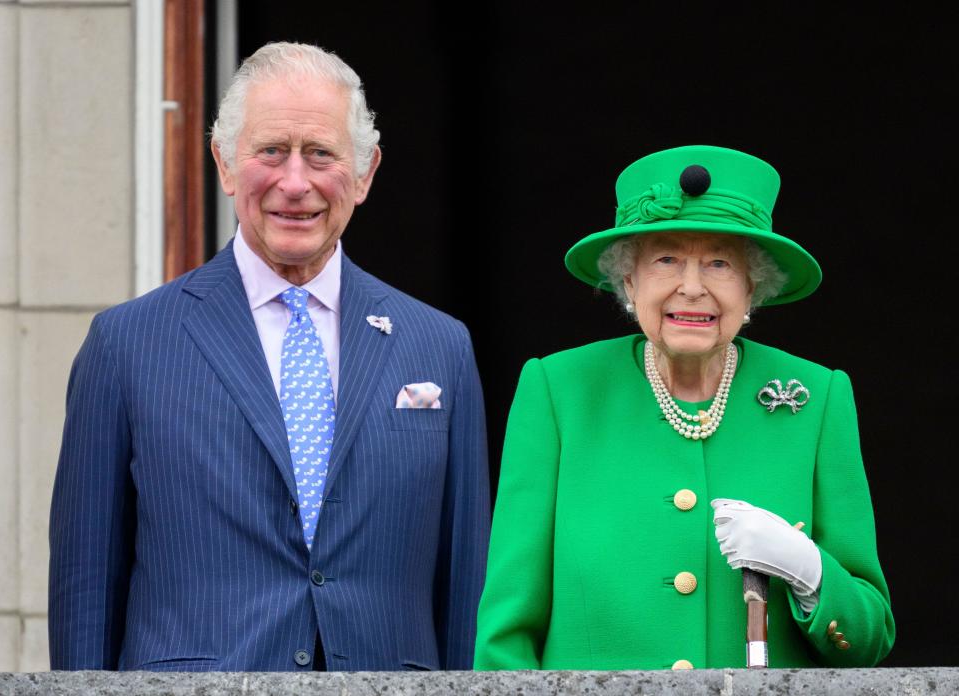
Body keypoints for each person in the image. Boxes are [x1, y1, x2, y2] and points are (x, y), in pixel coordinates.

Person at [48, 41, 490, 672]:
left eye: (320, 154)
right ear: (224, 164)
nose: (295, 182)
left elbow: (465, 584)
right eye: (271, 152)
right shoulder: (125, 345)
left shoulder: (440, 346)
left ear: (364, 175)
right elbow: (85, 589)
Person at [473, 145, 894, 670]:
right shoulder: (559, 391)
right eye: (666, 259)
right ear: (629, 282)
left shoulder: (817, 397)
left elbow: (870, 638)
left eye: (719, 263)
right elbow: (505, 637)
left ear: (751, 287)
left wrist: (811, 574)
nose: (692, 287)